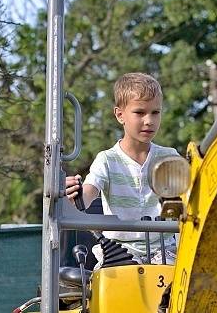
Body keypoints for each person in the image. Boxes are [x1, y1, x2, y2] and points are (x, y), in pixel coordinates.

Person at [65, 72, 179, 265]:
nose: (149, 120)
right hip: (119, 251)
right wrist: (74, 194)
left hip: (164, 250)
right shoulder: (107, 160)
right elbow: (86, 195)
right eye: (140, 112)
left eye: (155, 112)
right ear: (120, 115)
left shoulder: (169, 158)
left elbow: (188, 199)